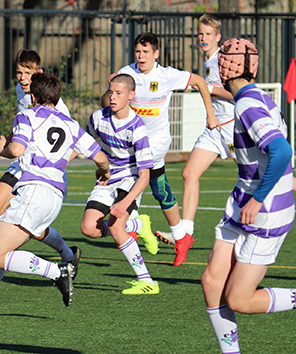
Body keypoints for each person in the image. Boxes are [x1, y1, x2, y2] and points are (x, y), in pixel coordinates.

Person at [0, 73, 110, 319]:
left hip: (34, 192)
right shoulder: (71, 125)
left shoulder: (27, 115)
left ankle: (58, 272)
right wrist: (103, 172)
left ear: (33, 96)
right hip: (55, 197)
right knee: (2, 254)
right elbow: (101, 158)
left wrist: (2, 150)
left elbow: (16, 149)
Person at [201, 38, 295, 354]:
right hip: (241, 199)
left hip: (263, 209)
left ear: (223, 67)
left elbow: (281, 150)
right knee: (212, 283)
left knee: (239, 299)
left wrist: (258, 199)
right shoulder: (252, 96)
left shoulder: (247, 104)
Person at [105, 32, 218, 266]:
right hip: (132, 139)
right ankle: (179, 237)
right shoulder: (126, 74)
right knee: (159, 189)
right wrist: (110, 92)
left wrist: (210, 113)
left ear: (156, 54)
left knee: (135, 174)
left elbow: (199, 81)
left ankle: (134, 224)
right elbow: (108, 103)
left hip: (156, 141)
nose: (141, 56)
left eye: (146, 52)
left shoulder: (166, 75)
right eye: (138, 51)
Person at [0, 49, 82, 277]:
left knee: (32, 229)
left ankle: (2, 260)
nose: (21, 78)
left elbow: (76, 146)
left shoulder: (57, 107)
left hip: (44, 173)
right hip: (23, 164)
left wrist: (52, 165)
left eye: (27, 73)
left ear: (39, 72)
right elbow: (24, 123)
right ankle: (65, 255)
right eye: (18, 72)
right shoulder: (22, 90)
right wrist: (10, 142)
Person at [156, 15, 236, 256]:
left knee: (257, 177)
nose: (203, 38)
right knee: (189, 173)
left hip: (231, 127)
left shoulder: (222, 60)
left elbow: (235, 94)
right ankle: (185, 233)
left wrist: (206, 87)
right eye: (200, 34)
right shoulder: (208, 61)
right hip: (213, 130)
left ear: (218, 37)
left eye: (208, 35)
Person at [81, 74, 159, 295]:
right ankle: (138, 226)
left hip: (131, 177)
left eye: (118, 93)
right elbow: (82, 143)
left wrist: (125, 203)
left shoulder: (137, 128)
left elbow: (145, 175)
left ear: (131, 96)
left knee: (116, 226)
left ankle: (147, 281)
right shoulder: (98, 118)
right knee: (89, 229)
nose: (112, 97)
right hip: (108, 177)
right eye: (110, 92)